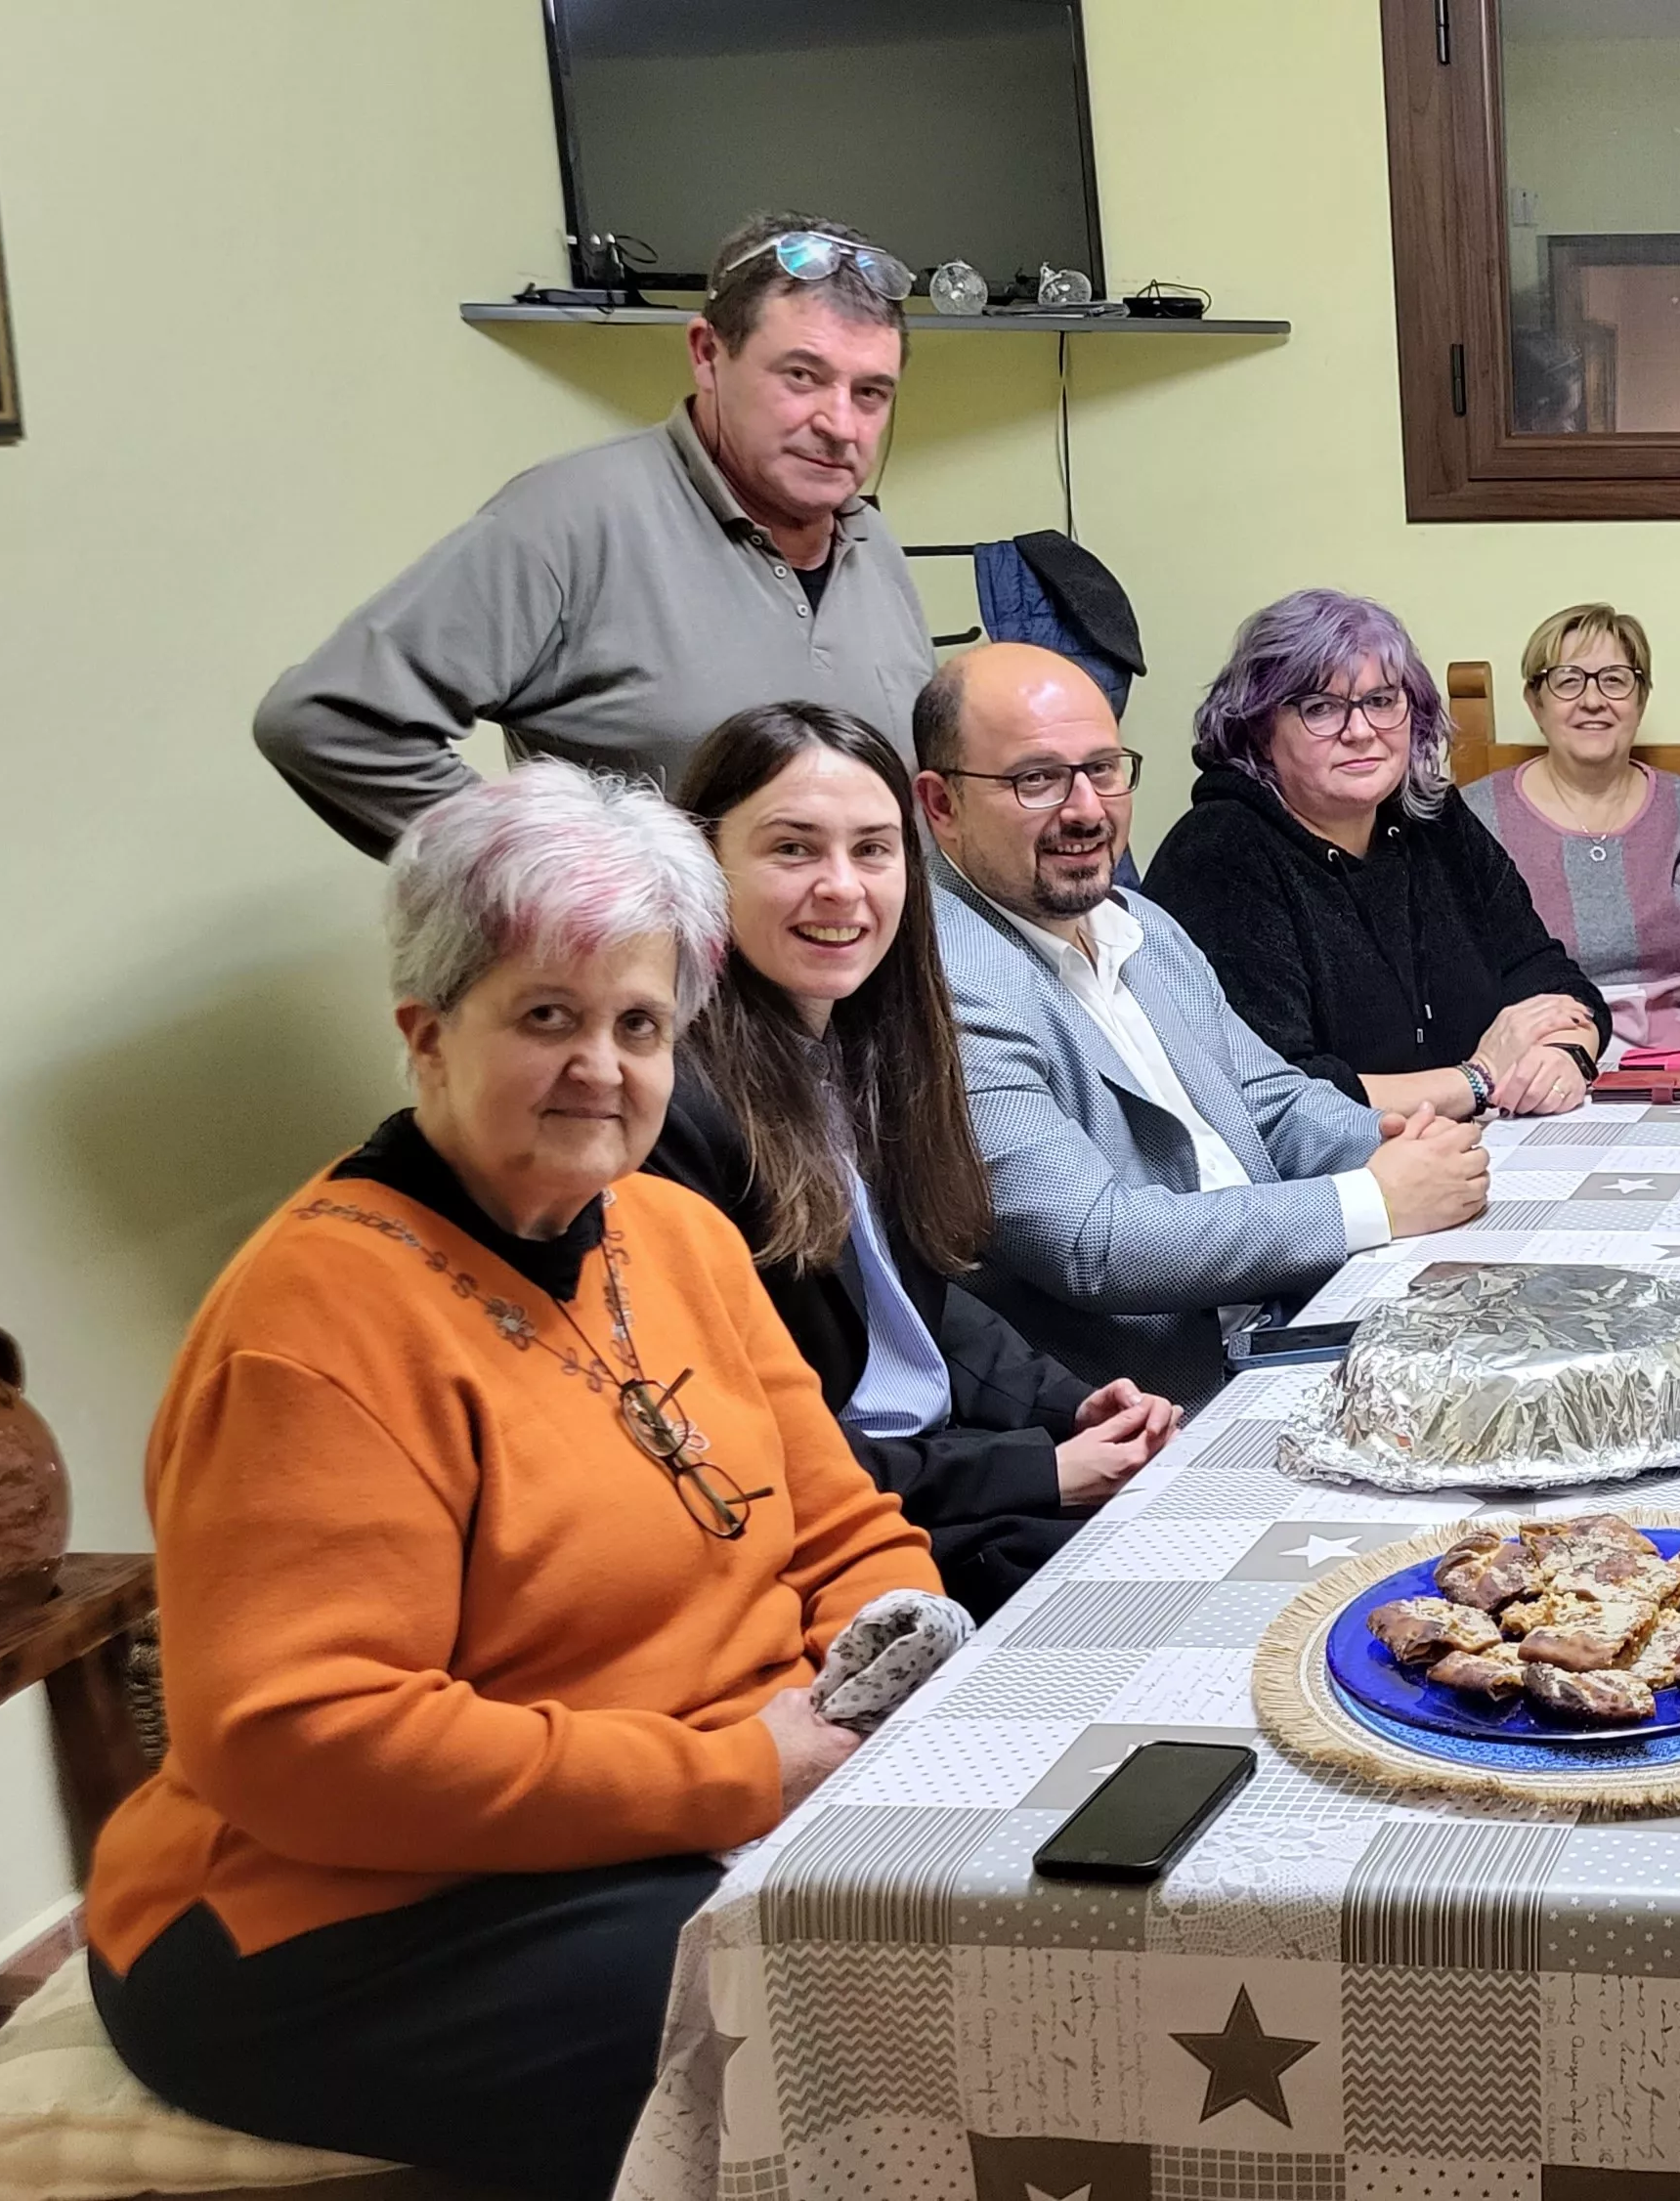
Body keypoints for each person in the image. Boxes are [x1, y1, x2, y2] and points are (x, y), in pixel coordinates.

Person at [82, 765, 938, 2199]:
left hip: (672, 1818)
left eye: (641, 1024)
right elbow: (308, 1744)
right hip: (342, 1920)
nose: (602, 1067)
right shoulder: (314, 1325)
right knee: (858, 2031)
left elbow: (844, 1523)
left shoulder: (670, 1230)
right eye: (548, 1017)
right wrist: (738, 1774)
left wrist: (893, 1647)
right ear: (427, 1034)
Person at [651, 703, 1185, 1619]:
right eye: (792, 850)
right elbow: (753, 1454)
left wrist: (1078, 1406)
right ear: (701, 868)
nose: (842, 888)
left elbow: (922, 1314)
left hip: (944, 1480)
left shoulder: (863, 1051)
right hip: (839, 1542)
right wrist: (1037, 1469)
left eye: (871, 850)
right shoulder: (674, 1113)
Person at [253, 213, 930, 857]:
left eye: (870, 393)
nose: (840, 424)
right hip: (664, 978)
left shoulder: (871, 542)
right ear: (706, 355)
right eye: (802, 376)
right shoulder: (570, 518)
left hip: (868, 972)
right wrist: (545, 882)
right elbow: (325, 723)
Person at [919, 644, 1488, 1402]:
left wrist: (1409, 1152)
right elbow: (1096, 1244)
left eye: (1103, 769)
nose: (1086, 810)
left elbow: (1273, 1105)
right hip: (1155, 1408)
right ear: (941, 805)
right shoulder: (942, 984)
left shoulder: (1135, 923)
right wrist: (1372, 1201)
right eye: (1038, 780)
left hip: (1297, 1322)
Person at [1143, 588, 1610, 1118]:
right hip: (1320, 1182)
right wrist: (1475, 1080)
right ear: (1259, 729)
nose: (1361, 731)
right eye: (1321, 708)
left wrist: (1566, 1053)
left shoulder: (1433, 819)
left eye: (1382, 701)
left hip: (1476, 1151)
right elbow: (1274, 1095)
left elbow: (1548, 976)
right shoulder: (1219, 852)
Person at [1465, 601, 1680, 1054]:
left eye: (1615, 680)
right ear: (1534, 702)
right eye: (1568, 681)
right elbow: (1461, 981)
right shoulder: (1475, 817)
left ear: (1641, 698)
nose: (1593, 700)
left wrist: (1670, 1059)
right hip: (1540, 1064)